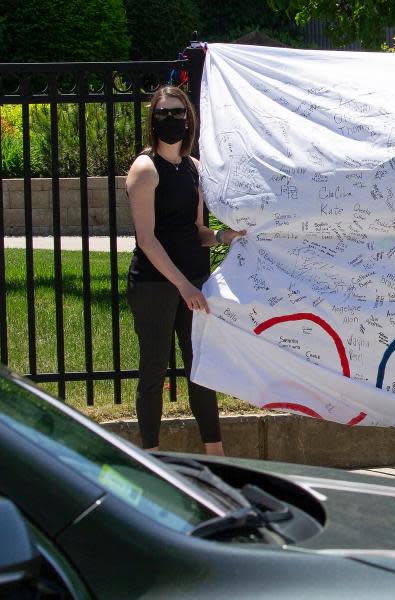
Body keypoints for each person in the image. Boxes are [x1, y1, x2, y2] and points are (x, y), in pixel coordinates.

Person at [126, 86, 245, 455]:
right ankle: (152, 454)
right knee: (154, 368)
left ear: (189, 119)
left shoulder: (194, 169)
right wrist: (183, 286)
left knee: (201, 366)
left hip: (191, 281)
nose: (171, 120)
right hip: (155, 285)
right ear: (152, 120)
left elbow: (196, 232)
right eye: (163, 113)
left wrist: (225, 236)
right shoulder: (145, 169)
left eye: (177, 113)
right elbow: (147, 239)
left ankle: (215, 453)